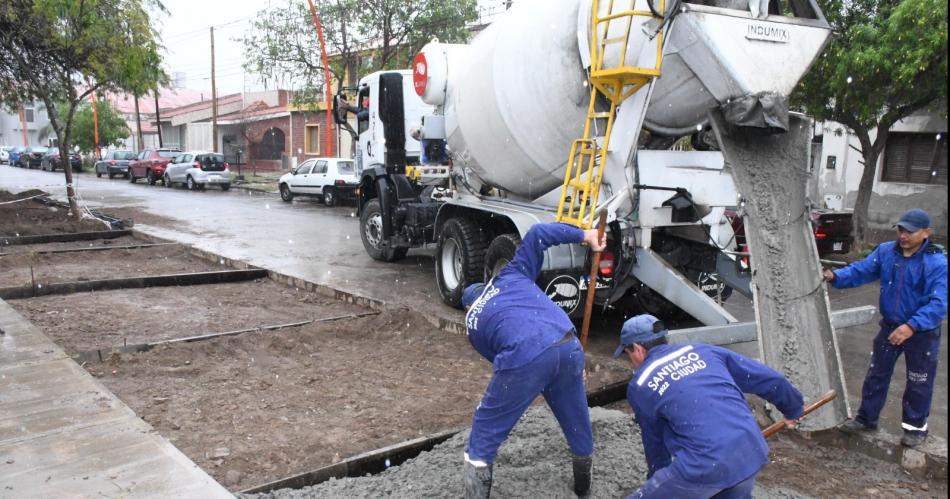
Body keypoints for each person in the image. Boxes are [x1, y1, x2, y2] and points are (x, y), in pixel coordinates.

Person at [460, 222, 605, 499]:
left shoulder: (473, 320)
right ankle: (583, 489)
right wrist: (586, 235)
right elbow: (538, 234)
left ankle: (475, 492)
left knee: (485, 428)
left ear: (469, 305)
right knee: (576, 418)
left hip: (526, 355)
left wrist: (533, 377)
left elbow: (509, 364)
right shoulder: (511, 275)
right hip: (568, 344)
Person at [617, 314, 804, 499]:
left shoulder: (641, 385)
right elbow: (769, 379)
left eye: (628, 354)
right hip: (751, 450)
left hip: (704, 466)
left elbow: (655, 443)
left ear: (637, 349)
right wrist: (793, 409)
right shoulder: (703, 351)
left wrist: (658, 484)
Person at [824, 208, 947, 447]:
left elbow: (939, 302)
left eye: (910, 231)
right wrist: (835, 277)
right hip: (890, 326)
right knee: (876, 374)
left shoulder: (936, 262)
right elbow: (862, 270)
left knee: (919, 381)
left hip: (921, 333)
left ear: (926, 233)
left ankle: (915, 429)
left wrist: (912, 326)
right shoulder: (886, 252)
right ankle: (866, 419)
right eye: (901, 229)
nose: (903, 235)